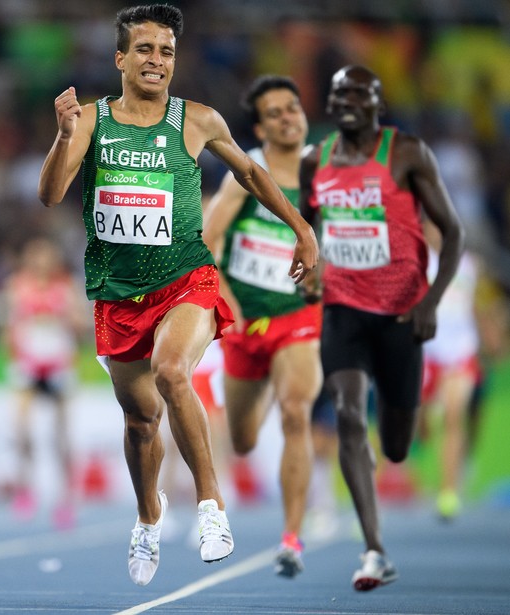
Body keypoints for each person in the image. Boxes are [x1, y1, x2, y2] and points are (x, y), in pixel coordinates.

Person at [37, 4, 318, 586]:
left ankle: (211, 507)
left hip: (185, 277)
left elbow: (251, 172)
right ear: (120, 58)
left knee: (172, 371)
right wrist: (63, 136)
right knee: (141, 421)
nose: (156, 61)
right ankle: (147, 518)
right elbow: (51, 194)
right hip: (116, 293)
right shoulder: (90, 120)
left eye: (165, 52)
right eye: (144, 49)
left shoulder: (199, 120)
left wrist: (301, 227)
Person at [299, 65, 463, 592]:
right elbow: (308, 229)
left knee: (395, 445)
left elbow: (454, 232)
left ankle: (386, 456)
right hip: (343, 311)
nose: (346, 100)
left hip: (400, 315)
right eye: (338, 92)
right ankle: (374, 549)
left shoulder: (407, 152)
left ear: (378, 102)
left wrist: (432, 301)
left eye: (357, 93)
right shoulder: (314, 162)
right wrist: (309, 270)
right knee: (347, 414)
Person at [202, 75, 323, 579]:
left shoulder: (327, 173)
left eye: (292, 107)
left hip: (298, 318)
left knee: (297, 412)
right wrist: (228, 306)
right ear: (260, 127)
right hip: (245, 326)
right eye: (274, 113)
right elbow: (206, 244)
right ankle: (266, 383)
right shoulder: (244, 175)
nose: (287, 117)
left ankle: (291, 539)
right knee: (245, 440)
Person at [3, 236, 88, 529]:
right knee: (22, 430)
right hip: (28, 362)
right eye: (35, 256)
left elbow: (80, 328)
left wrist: (65, 316)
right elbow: (10, 325)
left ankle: (66, 498)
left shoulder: (66, 286)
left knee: (60, 436)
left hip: (57, 363)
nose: (41, 262)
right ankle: (25, 490)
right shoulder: (18, 285)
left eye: (46, 257)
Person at [417, 220, 480, 522]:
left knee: (455, 416)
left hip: (461, 352)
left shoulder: (467, 264)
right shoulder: (417, 262)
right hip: (428, 354)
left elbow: (477, 307)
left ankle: (448, 491)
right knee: (421, 426)